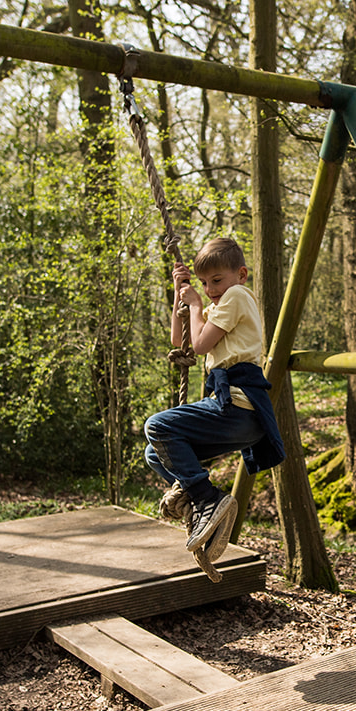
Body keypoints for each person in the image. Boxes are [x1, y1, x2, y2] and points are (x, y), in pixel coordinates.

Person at [144, 238, 285, 562]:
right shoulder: (221, 303)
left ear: (241, 274)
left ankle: (207, 498)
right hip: (234, 414)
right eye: (205, 283)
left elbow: (203, 345)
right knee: (156, 454)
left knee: (157, 425)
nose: (210, 289)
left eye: (216, 280)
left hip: (239, 406)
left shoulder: (237, 296)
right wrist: (182, 299)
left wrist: (195, 306)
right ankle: (204, 505)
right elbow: (181, 342)